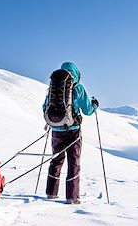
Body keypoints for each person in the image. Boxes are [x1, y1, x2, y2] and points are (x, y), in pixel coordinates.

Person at [42, 62, 99, 204]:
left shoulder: (53, 87)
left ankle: (51, 193)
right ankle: (72, 197)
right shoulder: (77, 87)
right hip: (73, 131)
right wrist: (95, 105)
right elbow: (87, 110)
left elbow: (45, 107)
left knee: (56, 160)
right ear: (76, 73)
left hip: (56, 130)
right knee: (74, 163)